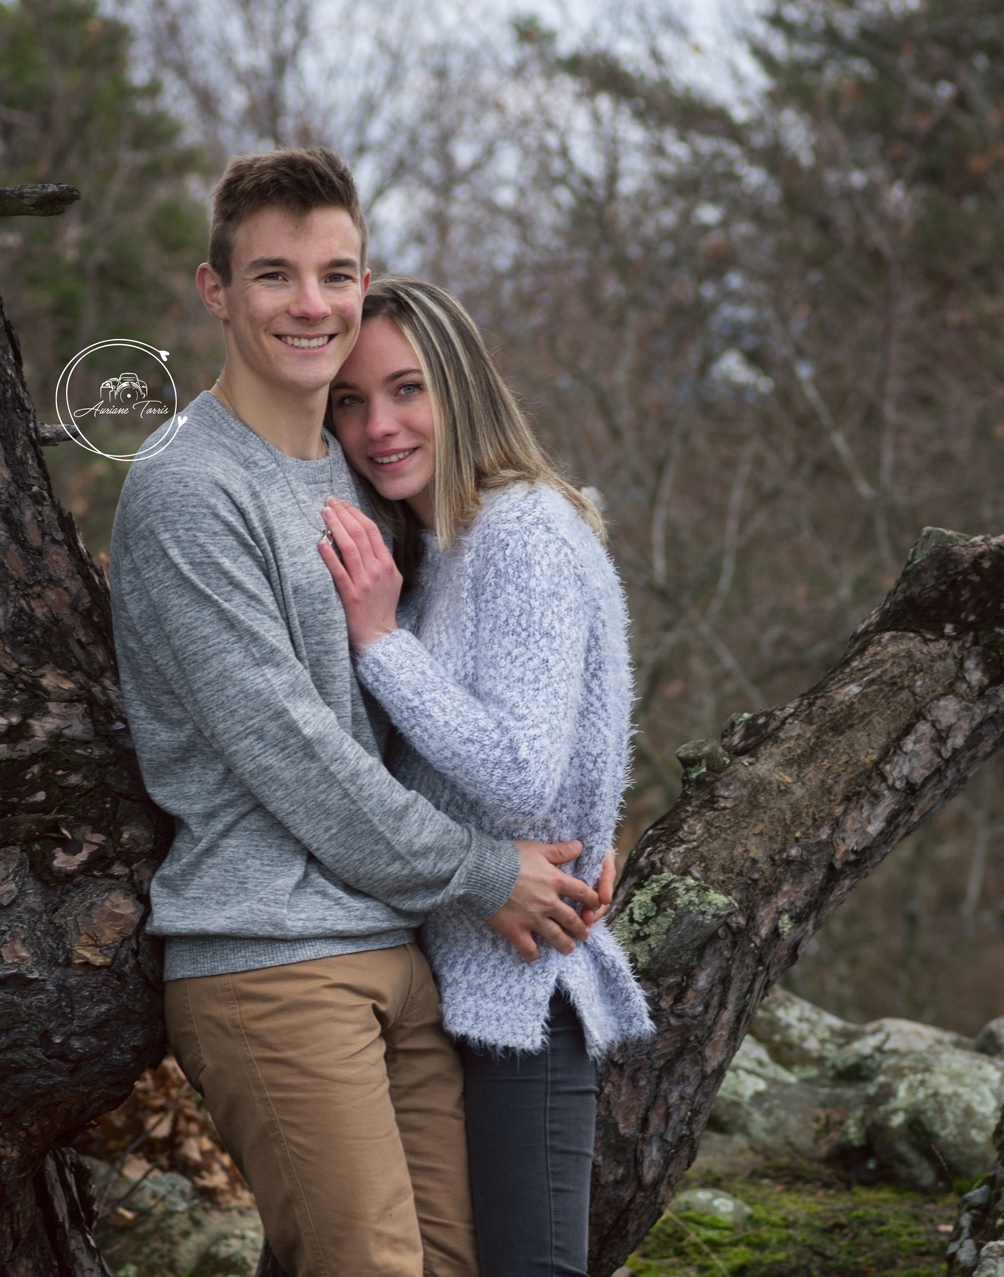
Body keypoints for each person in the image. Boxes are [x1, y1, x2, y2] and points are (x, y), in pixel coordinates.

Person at [108, 148, 607, 1277]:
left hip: (399, 945)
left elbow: (465, 702)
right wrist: (491, 871)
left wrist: (586, 839)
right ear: (215, 290)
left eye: (337, 273)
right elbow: (294, 752)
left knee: (451, 1261)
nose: (312, 304)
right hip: (272, 956)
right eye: (275, 274)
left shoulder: (352, 469)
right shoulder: (189, 486)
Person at [317, 275, 656, 1277]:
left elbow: (522, 771)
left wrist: (379, 644)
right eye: (349, 398)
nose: (379, 424)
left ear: (462, 386)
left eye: (407, 389)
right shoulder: (434, 547)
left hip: (513, 996)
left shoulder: (521, 531)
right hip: (435, 977)